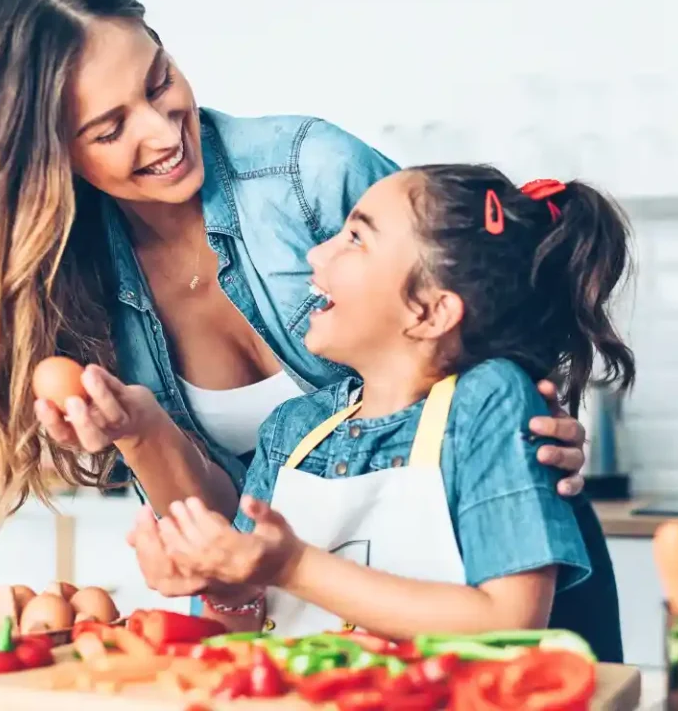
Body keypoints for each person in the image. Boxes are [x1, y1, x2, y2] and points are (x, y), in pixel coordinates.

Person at [0, 0, 586, 569]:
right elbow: (229, 538)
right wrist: (140, 432)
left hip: (503, 565)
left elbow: (490, 311)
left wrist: (539, 418)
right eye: (109, 129)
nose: (162, 132)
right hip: (328, 623)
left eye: (159, 82)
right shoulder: (72, 290)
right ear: (46, 158)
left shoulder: (312, 172)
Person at [152, 167, 634, 662]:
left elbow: (509, 622)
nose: (316, 254)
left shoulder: (488, 400)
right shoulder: (291, 430)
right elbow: (243, 630)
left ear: (430, 312)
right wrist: (223, 585)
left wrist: (293, 565)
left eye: (356, 238)